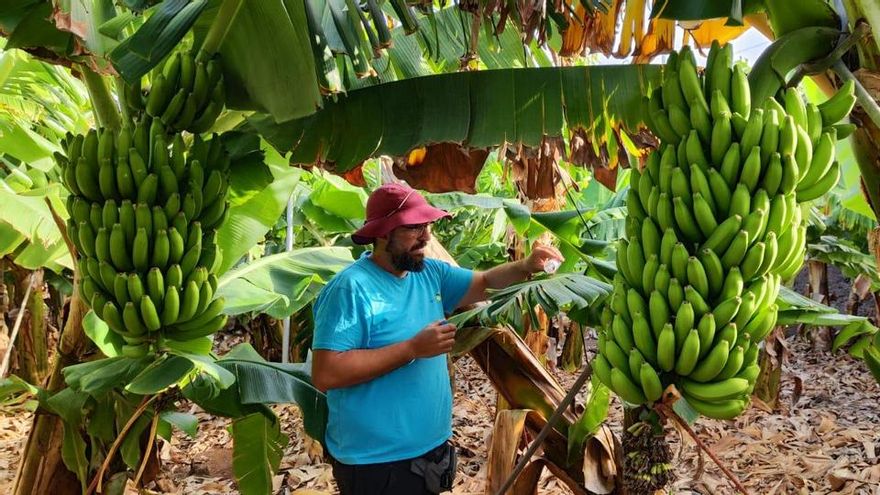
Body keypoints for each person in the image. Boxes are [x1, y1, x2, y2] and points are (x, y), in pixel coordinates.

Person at [311, 182, 563, 495]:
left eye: (427, 227)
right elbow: (326, 373)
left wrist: (527, 266)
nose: (426, 237)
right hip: (375, 463)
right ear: (382, 233)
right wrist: (412, 349)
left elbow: (483, 282)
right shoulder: (351, 289)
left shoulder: (428, 273)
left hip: (431, 451)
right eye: (413, 228)